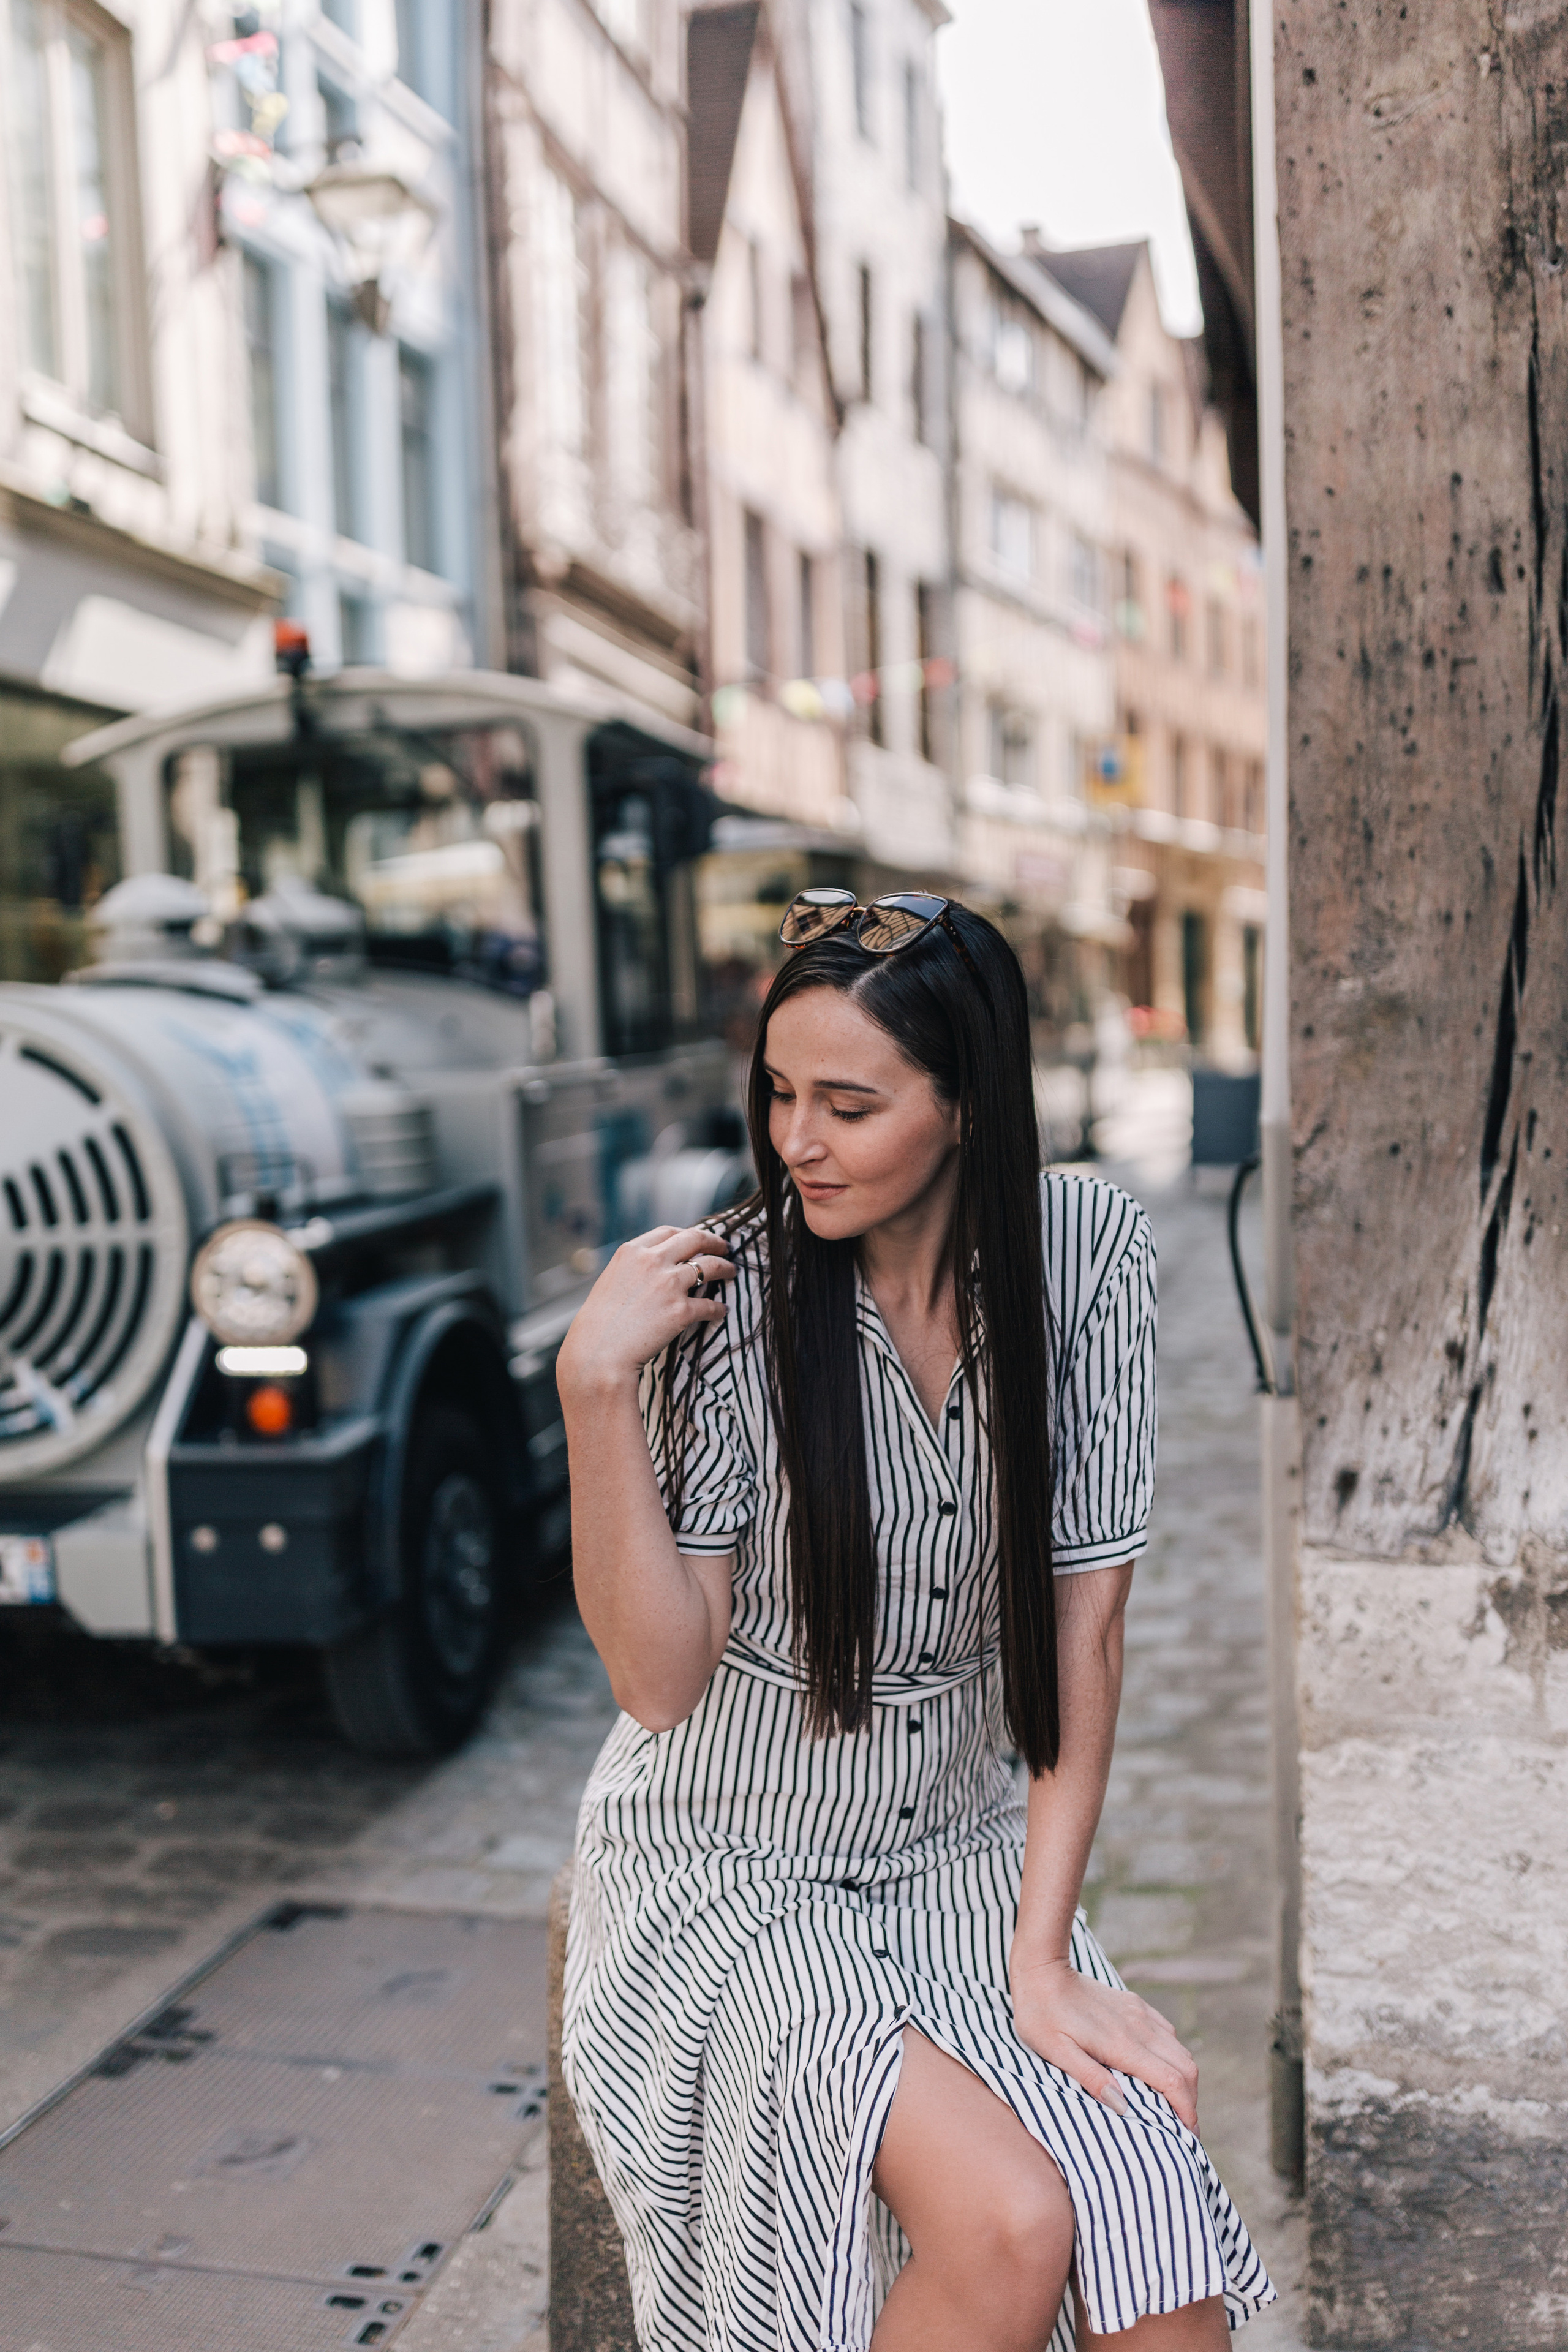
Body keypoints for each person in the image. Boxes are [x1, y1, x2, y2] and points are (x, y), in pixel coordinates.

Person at [557, 891, 1274, 2351]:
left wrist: (1044, 1952)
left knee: (1154, 2219)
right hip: (729, 1867)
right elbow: (654, 1679)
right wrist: (593, 1392)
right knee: (1007, 2221)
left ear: (963, 1106)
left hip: (954, 1857)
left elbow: (1085, 1634)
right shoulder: (732, 1299)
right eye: (775, 1093)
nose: (792, 1142)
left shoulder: (1083, 1253)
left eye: (846, 1103)